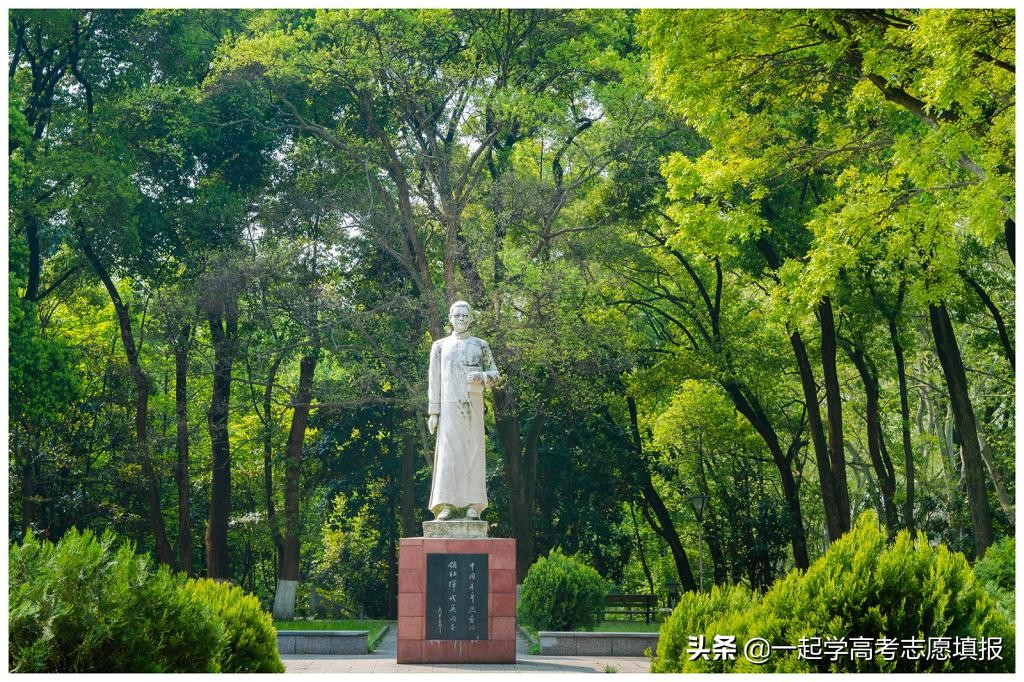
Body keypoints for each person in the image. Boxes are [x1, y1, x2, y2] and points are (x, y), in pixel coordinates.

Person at [427, 301, 500, 520]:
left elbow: (495, 375)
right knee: (448, 456)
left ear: (470, 318)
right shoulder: (440, 346)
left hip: (473, 408)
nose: (461, 319)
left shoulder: (480, 345)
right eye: (457, 315)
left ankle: (473, 505)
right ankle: (447, 504)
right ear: (450, 317)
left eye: (464, 315)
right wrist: (433, 412)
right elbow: (434, 380)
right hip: (448, 409)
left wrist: (482, 377)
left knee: (473, 454)